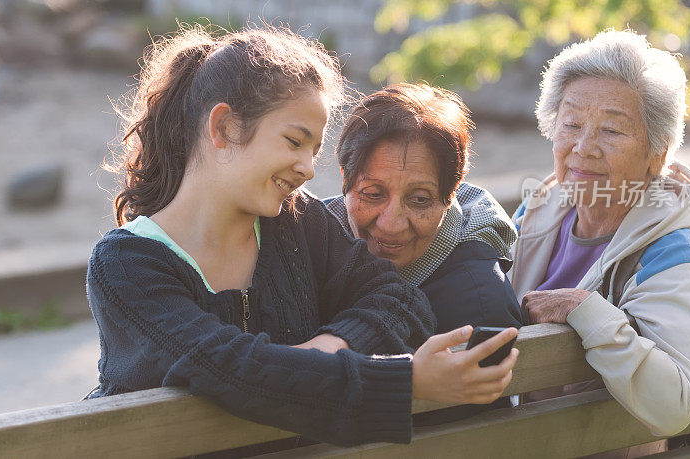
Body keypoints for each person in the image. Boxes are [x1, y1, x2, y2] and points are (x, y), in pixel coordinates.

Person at [86, 25, 519, 448]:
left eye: (314, 150)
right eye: (295, 141)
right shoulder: (126, 265)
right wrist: (404, 382)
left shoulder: (295, 221)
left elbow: (397, 299)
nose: (309, 168)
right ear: (224, 128)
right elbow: (228, 369)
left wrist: (326, 348)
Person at [510, 29, 690, 440]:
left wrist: (587, 310)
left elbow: (675, 406)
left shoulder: (677, 255)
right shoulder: (539, 209)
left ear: (657, 155)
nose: (584, 147)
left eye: (611, 131)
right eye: (570, 123)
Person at [326, 83, 523, 335]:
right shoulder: (304, 244)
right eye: (373, 194)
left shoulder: (478, 308)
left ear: (452, 193)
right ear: (345, 179)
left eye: (419, 199)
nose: (391, 225)